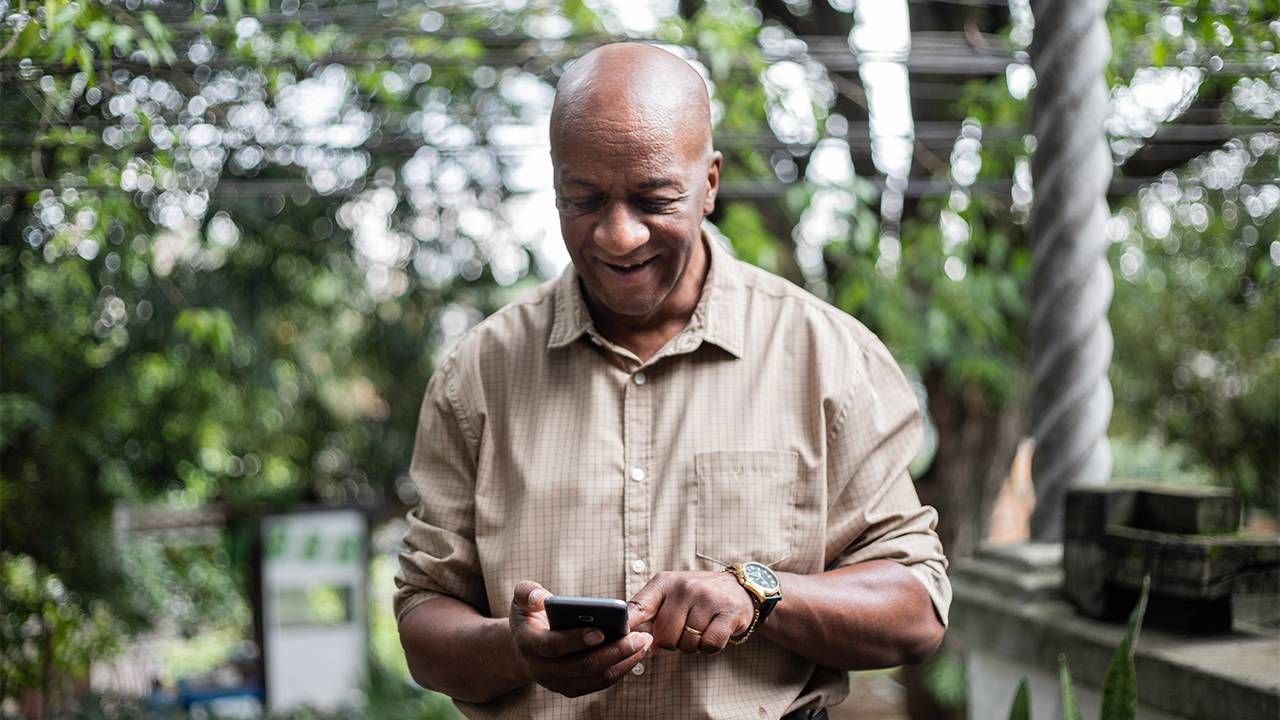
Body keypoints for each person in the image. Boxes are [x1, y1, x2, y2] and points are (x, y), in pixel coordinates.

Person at [395, 42, 950, 720]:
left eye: (655, 199)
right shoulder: (477, 376)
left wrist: (761, 593)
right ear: (554, 184)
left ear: (710, 182)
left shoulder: (827, 357)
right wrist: (515, 652)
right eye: (584, 199)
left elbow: (916, 612)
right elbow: (424, 620)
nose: (618, 236)